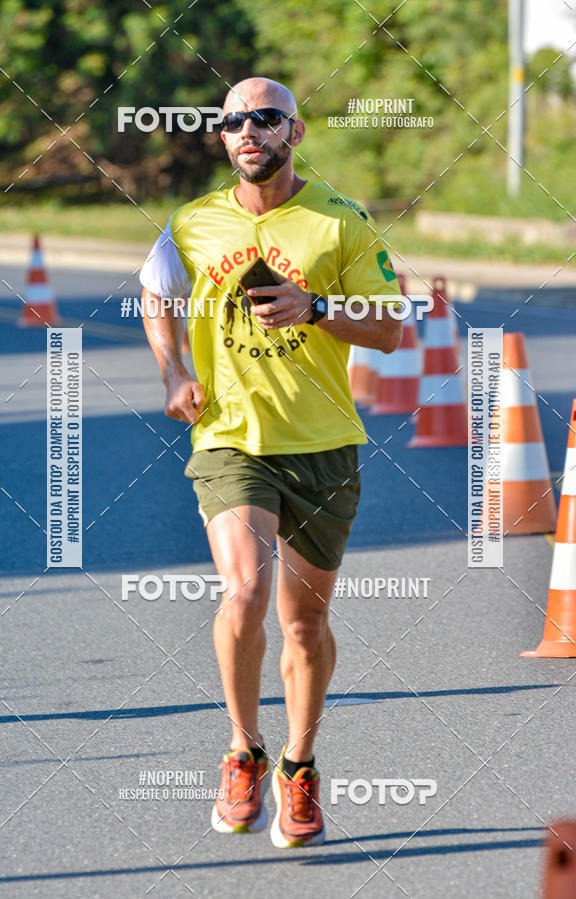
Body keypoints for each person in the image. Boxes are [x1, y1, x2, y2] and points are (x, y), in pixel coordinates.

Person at [140, 76, 402, 848]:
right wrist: (171, 373)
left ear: (295, 132)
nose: (247, 131)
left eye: (264, 118)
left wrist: (316, 308)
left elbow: (390, 329)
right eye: (232, 122)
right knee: (246, 588)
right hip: (230, 439)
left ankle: (298, 764)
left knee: (305, 619)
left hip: (322, 443)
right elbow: (158, 293)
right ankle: (243, 749)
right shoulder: (193, 223)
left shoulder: (340, 222)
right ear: (222, 138)